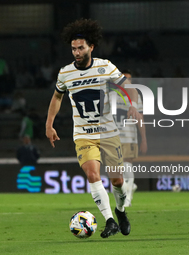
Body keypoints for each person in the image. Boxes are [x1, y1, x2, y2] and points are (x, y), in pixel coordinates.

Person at [45, 19, 141, 238]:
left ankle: (120, 211)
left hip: (108, 133)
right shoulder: (65, 73)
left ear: (91, 47)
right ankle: (109, 220)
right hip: (83, 135)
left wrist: (133, 106)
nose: (76, 52)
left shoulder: (105, 67)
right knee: (92, 174)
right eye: (73, 48)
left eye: (80, 48)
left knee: (117, 181)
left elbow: (129, 89)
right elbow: (57, 97)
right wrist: (48, 124)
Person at [113, 70, 148, 207]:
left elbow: (140, 119)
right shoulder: (111, 95)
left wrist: (143, 139)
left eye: (129, 79)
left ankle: (128, 198)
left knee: (127, 164)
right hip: (113, 137)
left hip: (129, 137)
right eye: (124, 79)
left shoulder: (135, 96)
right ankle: (129, 187)